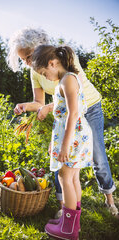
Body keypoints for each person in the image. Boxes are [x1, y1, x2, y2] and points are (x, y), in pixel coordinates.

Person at [8, 27, 118, 217]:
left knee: (98, 156)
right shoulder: (35, 71)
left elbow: (76, 93)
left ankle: (110, 201)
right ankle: (67, 208)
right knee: (63, 166)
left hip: (88, 108)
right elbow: (39, 103)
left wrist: (50, 108)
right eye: (23, 60)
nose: (26, 63)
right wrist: (25, 106)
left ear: (39, 47)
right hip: (67, 115)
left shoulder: (63, 58)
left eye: (27, 56)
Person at [32, 44, 93, 239]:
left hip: (73, 137)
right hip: (72, 135)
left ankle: (68, 228)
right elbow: (62, 111)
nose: (44, 77)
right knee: (72, 178)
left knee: (64, 177)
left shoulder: (67, 80)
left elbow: (73, 113)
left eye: (43, 72)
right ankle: (73, 222)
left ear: (52, 63)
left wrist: (65, 144)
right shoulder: (65, 81)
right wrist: (57, 142)